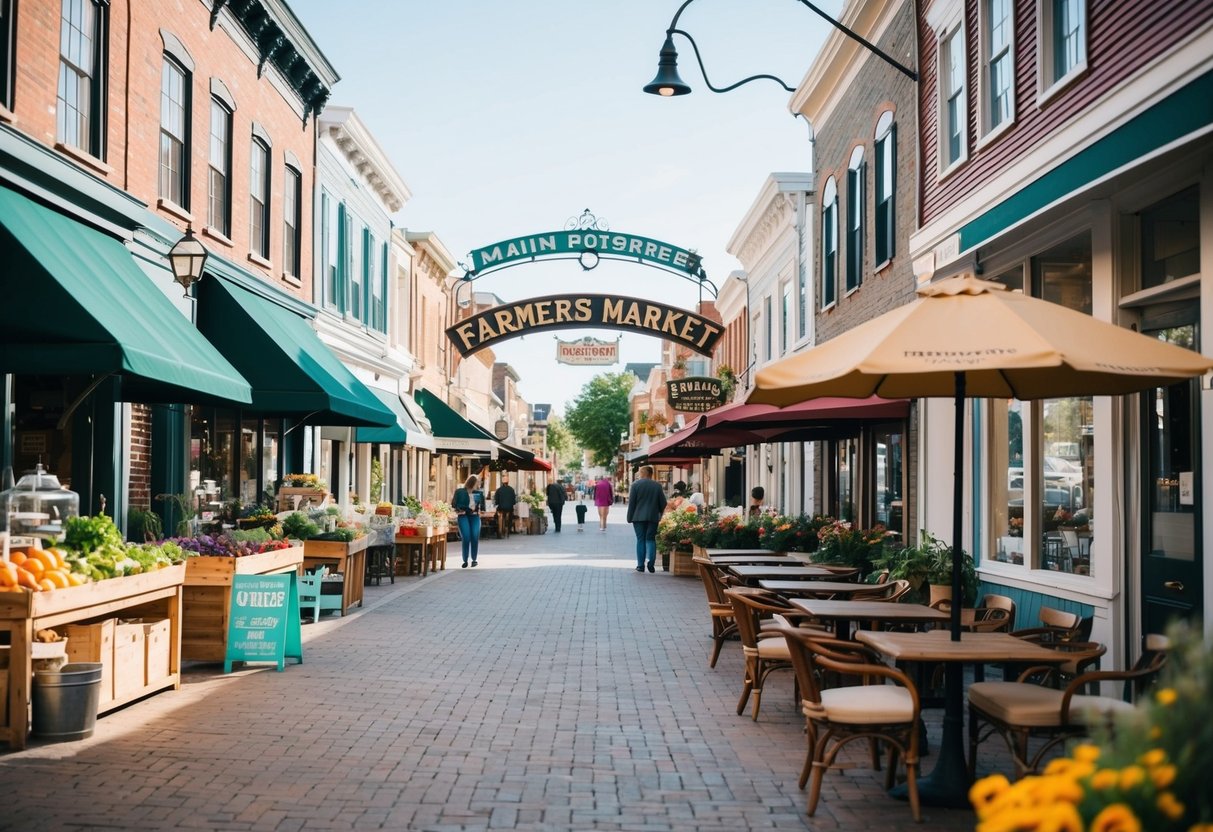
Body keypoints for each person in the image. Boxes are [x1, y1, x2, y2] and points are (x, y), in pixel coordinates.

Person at [627, 465, 667, 573]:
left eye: (640, 472)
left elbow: (632, 504)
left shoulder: (635, 485)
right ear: (651, 474)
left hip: (638, 517)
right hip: (653, 517)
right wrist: (658, 513)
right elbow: (663, 503)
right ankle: (651, 564)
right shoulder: (657, 486)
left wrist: (629, 517)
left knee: (640, 540)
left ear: (642, 473)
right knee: (650, 539)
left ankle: (640, 565)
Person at [452, 474, 482, 567]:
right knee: (466, 537)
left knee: (474, 537)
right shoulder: (460, 492)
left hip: (475, 516)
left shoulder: (479, 493)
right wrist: (458, 510)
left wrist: (480, 509)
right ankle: (465, 560)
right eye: (478, 482)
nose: (479, 484)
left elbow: (482, 507)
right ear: (473, 483)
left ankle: (474, 559)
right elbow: (453, 504)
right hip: (463, 516)